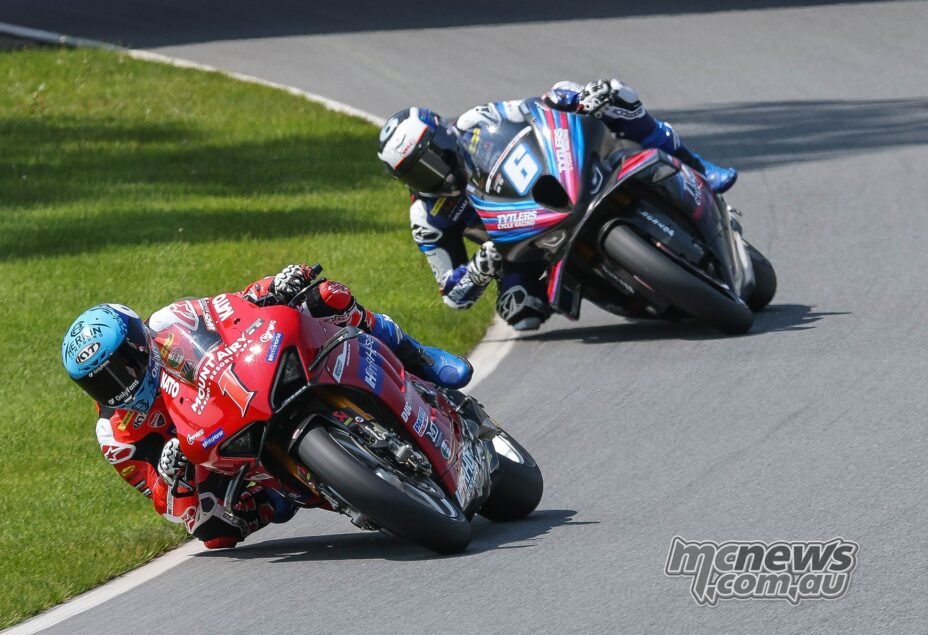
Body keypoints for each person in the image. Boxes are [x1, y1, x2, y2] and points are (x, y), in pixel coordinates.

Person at [60, 264, 472, 549]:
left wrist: (276, 285)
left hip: (245, 385)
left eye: (122, 368)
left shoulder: (171, 322)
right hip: (215, 454)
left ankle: (417, 355)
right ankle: (290, 490)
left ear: (138, 343)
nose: (120, 386)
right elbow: (160, 499)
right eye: (100, 383)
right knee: (212, 532)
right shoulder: (116, 435)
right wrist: (169, 476)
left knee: (326, 297)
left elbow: (232, 307)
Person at [377, 79, 738, 331]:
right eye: (417, 173)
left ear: (442, 134)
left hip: (553, 181)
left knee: (614, 94)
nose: (435, 174)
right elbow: (452, 294)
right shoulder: (426, 217)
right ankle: (622, 288)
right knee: (521, 311)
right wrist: (477, 270)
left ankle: (699, 166)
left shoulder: (478, 121)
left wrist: (575, 98)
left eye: (432, 158)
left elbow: (534, 109)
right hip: (522, 248)